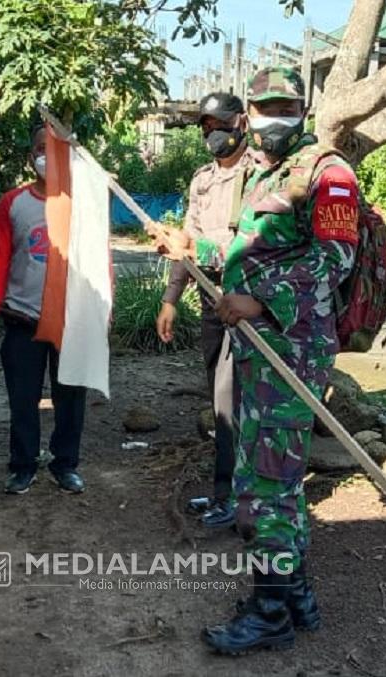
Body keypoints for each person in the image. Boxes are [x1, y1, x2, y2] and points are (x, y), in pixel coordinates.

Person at [195, 68, 359, 653]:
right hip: (259, 349)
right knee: (273, 480)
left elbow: (333, 259)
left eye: (284, 104)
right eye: (263, 106)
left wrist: (261, 298)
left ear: (303, 106)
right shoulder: (271, 172)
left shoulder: (328, 173)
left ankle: (270, 614)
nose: (272, 116)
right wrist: (194, 249)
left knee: (267, 483)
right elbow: (254, 246)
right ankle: (296, 596)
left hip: (291, 349)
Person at [156, 92, 261, 529]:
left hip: (249, 308)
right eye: (205, 127)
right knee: (221, 405)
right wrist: (170, 299)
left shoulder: (260, 175)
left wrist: (199, 249)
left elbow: (252, 246)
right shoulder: (202, 180)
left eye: (220, 124)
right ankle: (228, 491)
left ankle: (238, 498)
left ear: (240, 121)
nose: (213, 133)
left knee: (233, 402)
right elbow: (187, 242)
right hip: (210, 305)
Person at [0, 126, 86, 496]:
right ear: (30, 157)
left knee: (70, 397)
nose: (46, 156)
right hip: (22, 319)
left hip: (71, 322)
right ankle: (23, 465)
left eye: (55, 150)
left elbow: (96, 259)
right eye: (40, 149)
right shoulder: (13, 203)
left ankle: (65, 463)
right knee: (23, 398)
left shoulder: (81, 203)